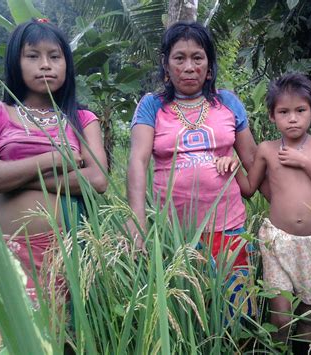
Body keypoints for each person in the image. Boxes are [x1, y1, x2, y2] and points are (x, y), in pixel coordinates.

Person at [0, 18, 108, 336]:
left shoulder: (81, 118)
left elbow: (97, 180)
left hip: (68, 251)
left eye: (55, 56)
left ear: (67, 63)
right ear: (15, 61)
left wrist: (11, 173)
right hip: (9, 253)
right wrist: (50, 160)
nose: (45, 65)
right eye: (32, 55)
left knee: (65, 339)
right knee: (10, 339)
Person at [126, 22, 258, 318]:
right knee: (186, 315)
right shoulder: (152, 106)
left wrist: (283, 212)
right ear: (165, 64)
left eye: (197, 58)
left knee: (237, 315)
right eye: (179, 58)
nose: (189, 66)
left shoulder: (227, 103)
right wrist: (136, 219)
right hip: (175, 233)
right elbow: (137, 160)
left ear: (209, 65)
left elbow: (253, 160)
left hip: (229, 227)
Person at [216, 73, 311, 352]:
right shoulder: (266, 150)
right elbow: (250, 189)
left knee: (309, 312)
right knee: (281, 316)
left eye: (300, 110)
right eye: (284, 112)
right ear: (272, 117)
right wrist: (233, 165)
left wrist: (305, 163)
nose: (293, 118)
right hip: (276, 241)